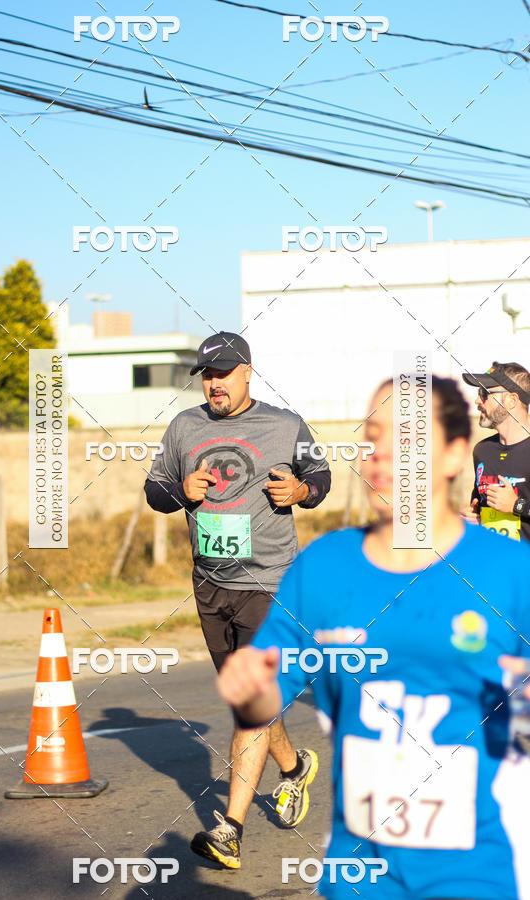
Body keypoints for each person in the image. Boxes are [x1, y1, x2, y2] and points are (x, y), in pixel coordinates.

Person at [218, 376, 530, 899]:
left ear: (456, 455)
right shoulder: (322, 568)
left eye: (406, 439)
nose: (381, 453)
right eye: (372, 437)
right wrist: (251, 689)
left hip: (478, 874)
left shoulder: (511, 574)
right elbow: (267, 698)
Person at [144, 331, 331, 869]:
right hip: (210, 583)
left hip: (270, 582)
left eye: (223, 373)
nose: (214, 384)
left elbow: (321, 478)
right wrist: (181, 491)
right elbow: (155, 491)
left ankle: (229, 830)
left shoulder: (285, 425)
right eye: (207, 375)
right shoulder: (184, 427)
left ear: (247, 371)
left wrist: (300, 491)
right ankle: (294, 769)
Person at [461, 361, 530, 542]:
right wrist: (473, 518)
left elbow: (515, 506)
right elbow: (479, 506)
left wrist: (516, 505)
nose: (477, 401)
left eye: (484, 393)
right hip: (492, 558)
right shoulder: (483, 450)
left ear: (511, 400)